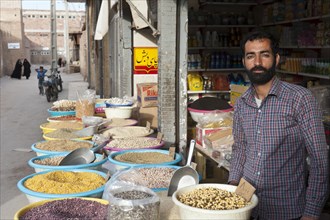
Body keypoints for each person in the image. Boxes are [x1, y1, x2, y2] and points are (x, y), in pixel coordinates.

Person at [228, 30, 329, 220]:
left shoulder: (299, 99)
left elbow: (319, 161)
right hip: (246, 204)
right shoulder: (242, 103)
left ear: (276, 59)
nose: (257, 62)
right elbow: (240, 148)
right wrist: (232, 186)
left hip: (285, 209)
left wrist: (311, 213)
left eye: (264, 55)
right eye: (251, 56)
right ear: (244, 61)